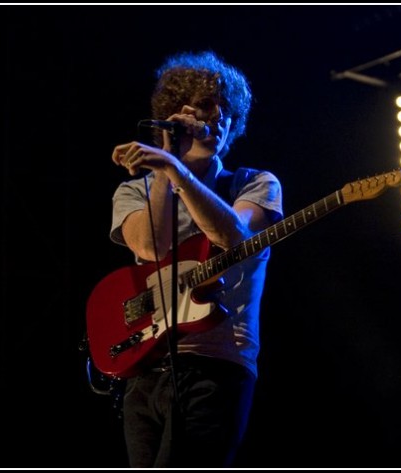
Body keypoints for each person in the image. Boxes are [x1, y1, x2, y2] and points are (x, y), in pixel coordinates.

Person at [108, 50, 283, 467]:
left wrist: (178, 171)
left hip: (218, 365)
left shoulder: (255, 183)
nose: (217, 117)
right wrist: (169, 169)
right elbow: (150, 247)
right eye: (205, 106)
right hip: (145, 367)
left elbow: (232, 236)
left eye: (226, 111)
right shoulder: (134, 192)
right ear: (173, 114)